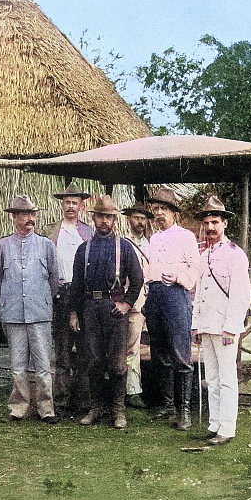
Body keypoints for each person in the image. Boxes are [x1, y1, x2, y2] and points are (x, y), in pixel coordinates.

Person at [69, 196, 143, 429]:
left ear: (115, 220)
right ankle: (97, 407)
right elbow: (76, 285)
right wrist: (73, 313)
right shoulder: (84, 249)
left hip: (115, 309)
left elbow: (138, 279)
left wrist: (127, 303)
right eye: (100, 216)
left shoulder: (125, 247)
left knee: (118, 364)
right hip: (91, 308)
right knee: (94, 361)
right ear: (94, 218)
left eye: (109, 217)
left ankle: (118, 410)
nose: (104, 221)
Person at [0, 195, 60, 424]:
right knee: (17, 365)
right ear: (14, 218)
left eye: (32, 214)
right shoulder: (2, 246)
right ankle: (18, 407)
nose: (29, 219)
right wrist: (10, 302)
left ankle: (46, 408)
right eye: (23, 214)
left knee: (42, 365)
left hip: (39, 314)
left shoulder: (46, 245)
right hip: (13, 315)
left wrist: (39, 300)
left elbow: (53, 279)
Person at [191, 196, 251, 446]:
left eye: (215, 222)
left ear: (224, 224)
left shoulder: (235, 254)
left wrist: (231, 327)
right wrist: (195, 324)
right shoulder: (203, 254)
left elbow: (241, 294)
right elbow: (199, 292)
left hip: (225, 327)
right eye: (206, 223)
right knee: (211, 379)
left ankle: (227, 428)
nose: (210, 228)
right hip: (206, 326)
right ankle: (214, 423)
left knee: (227, 379)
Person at [142, 187, 200, 430]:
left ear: (173, 212)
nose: (159, 214)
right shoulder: (153, 239)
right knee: (160, 354)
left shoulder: (186, 237)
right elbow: (148, 268)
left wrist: (178, 276)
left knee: (180, 355)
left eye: (163, 209)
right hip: (155, 297)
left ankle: (183, 410)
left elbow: (195, 270)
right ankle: (166, 405)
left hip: (177, 297)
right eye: (155, 210)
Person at [41, 182, 93, 415]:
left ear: (82, 206)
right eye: (67, 202)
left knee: (84, 349)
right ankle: (61, 398)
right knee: (62, 350)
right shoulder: (50, 231)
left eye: (75, 202)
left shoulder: (89, 232)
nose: (70, 206)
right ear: (61, 204)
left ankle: (83, 399)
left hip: (83, 295)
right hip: (60, 294)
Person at [121, 202, 154, 408]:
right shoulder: (123, 244)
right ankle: (131, 391)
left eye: (143, 218)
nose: (140, 222)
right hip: (132, 301)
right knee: (130, 347)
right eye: (136, 218)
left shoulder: (151, 244)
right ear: (129, 219)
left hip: (150, 301)